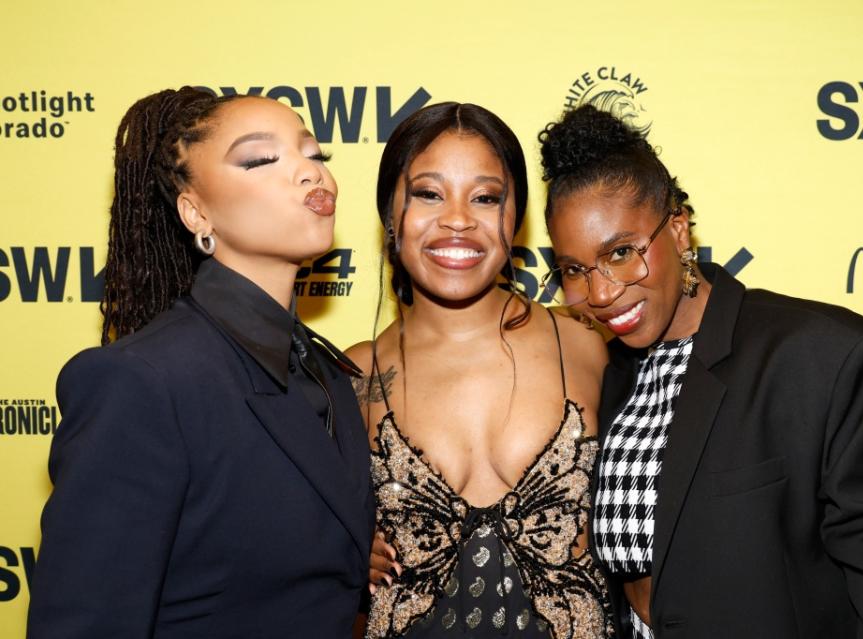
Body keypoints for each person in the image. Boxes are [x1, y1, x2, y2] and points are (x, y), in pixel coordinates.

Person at [537, 104, 863, 638]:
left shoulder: (826, 358)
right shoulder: (606, 373)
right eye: (575, 269)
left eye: (622, 252)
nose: (600, 293)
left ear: (680, 230)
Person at [27, 87, 374, 638]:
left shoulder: (327, 373)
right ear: (196, 211)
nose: (311, 174)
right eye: (263, 158)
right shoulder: (141, 382)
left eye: (315, 154)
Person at [348, 102, 615, 638]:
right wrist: (340, 553)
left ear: (514, 220)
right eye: (428, 193)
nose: (458, 219)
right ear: (388, 214)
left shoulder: (588, 342)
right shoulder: (352, 377)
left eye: (485, 197)